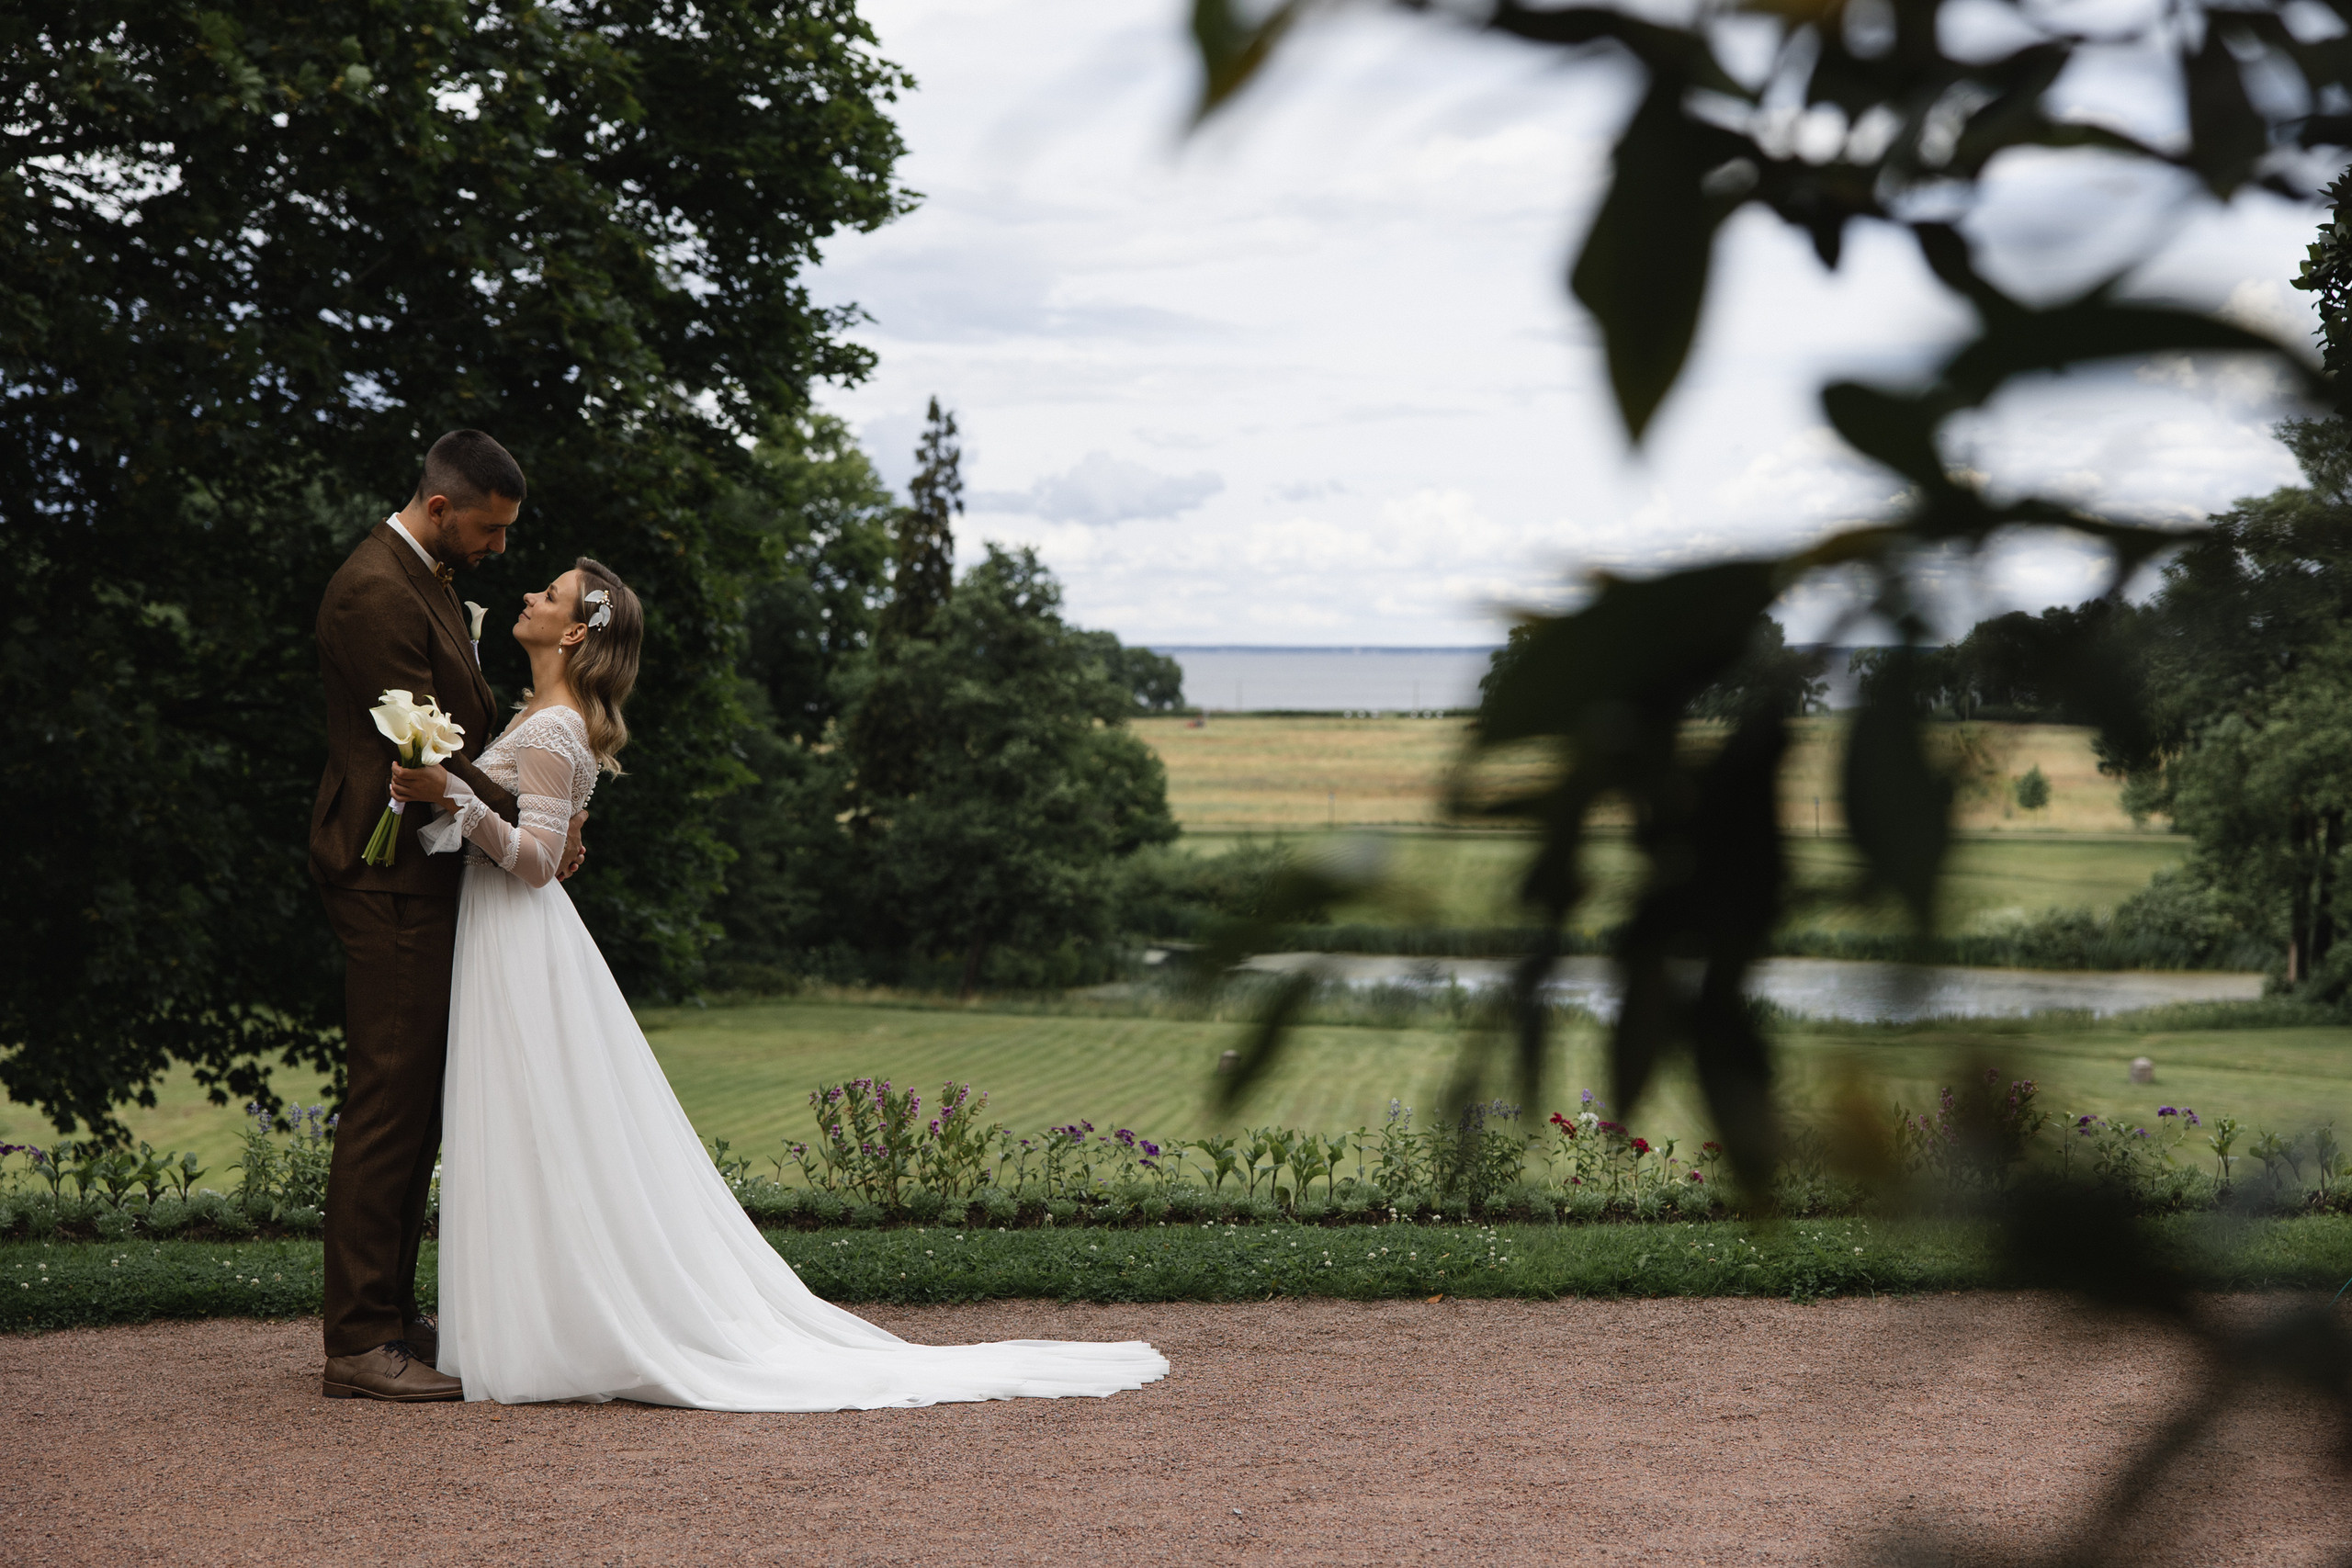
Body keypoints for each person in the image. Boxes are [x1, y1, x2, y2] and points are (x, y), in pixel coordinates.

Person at [387, 559, 1168, 1410]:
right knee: (539, 1125)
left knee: (535, 1120)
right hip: (517, 942)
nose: (532, 596)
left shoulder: (550, 728)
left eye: (551, 594)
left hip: (517, 937)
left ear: (575, 632)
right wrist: (491, 806)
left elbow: (538, 864)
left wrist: (450, 795)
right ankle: (538, 1318)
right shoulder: (550, 721)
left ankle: (547, 1325)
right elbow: (565, 839)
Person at [311, 429, 584, 1403]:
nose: (502, 550)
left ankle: (391, 1314)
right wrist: (534, 825)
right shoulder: (377, 590)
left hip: (420, 874)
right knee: (390, 1100)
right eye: (491, 529)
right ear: (439, 509)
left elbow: (451, 732)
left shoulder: (418, 572)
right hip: (385, 875)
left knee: (416, 1099)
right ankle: (357, 1340)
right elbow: (423, 750)